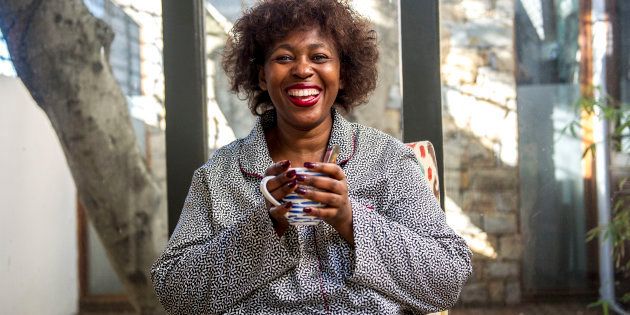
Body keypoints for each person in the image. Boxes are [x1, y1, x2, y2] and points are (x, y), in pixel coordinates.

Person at [151, 0, 472, 314]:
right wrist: (266, 226)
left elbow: (447, 279)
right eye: (284, 57)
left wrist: (350, 219)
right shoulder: (220, 176)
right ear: (262, 76)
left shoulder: (388, 161)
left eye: (319, 56)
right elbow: (176, 294)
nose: (303, 69)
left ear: (342, 73)